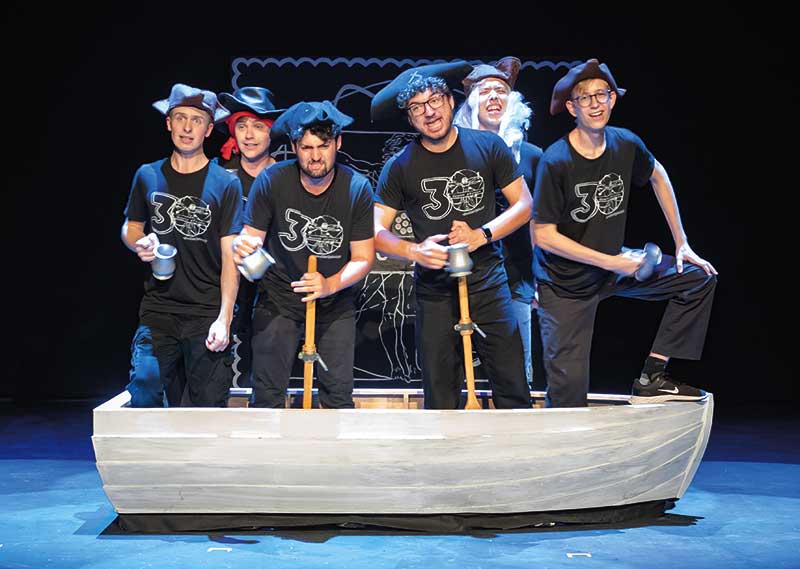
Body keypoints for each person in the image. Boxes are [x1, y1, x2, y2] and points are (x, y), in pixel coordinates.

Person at [532, 58, 718, 407]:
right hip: (565, 285)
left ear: (613, 99)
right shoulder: (556, 160)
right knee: (569, 396)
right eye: (584, 98)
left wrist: (682, 242)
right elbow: (542, 235)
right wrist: (612, 262)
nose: (595, 103)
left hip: (614, 267)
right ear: (571, 107)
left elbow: (657, 173)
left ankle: (652, 376)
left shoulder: (626, 143)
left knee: (697, 278)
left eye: (602, 94)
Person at [371, 61, 533, 410]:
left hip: (489, 279)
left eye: (434, 101)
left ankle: (518, 457)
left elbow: (524, 205)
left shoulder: (488, 146)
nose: (428, 113)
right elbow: (374, 230)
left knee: (512, 383)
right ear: (410, 119)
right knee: (440, 392)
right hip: (434, 289)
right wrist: (414, 251)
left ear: (449, 102)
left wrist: (482, 234)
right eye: (416, 108)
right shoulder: (400, 165)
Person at [232, 101, 375, 409]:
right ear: (294, 146)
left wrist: (329, 285)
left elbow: (364, 257)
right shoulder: (272, 181)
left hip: (334, 301)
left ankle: (335, 457)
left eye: (323, 146)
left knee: (338, 397)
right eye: (306, 147)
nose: (315, 156)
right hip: (278, 298)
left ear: (338, 143)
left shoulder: (357, 188)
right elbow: (251, 238)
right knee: (266, 397)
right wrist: (242, 247)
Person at [121, 83, 243, 407]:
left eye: (197, 120)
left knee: (208, 407)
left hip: (205, 311)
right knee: (145, 387)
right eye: (180, 118)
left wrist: (224, 319)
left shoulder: (226, 183)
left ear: (208, 129)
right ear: (168, 123)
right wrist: (139, 242)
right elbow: (131, 227)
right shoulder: (147, 175)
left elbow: (231, 258)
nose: (187, 127)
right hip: (160, 308)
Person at [453, 56, 544, 388]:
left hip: (516, 277)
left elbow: (538, 219)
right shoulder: (457, 153)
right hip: (466, 275)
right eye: (485, 91)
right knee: (466, 370)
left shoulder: (532, 156)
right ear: (472, 103)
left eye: (501, 91)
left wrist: (539, 276)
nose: (493, 97)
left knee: (517, 375)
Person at [216, 86, 284, 390]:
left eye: (258, 126)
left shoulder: (287, 177)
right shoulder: (220, 177)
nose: (249, 134)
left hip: (274, 290)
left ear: (271, 133)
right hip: (223, 284)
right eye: (242, 126)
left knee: (267, 374)